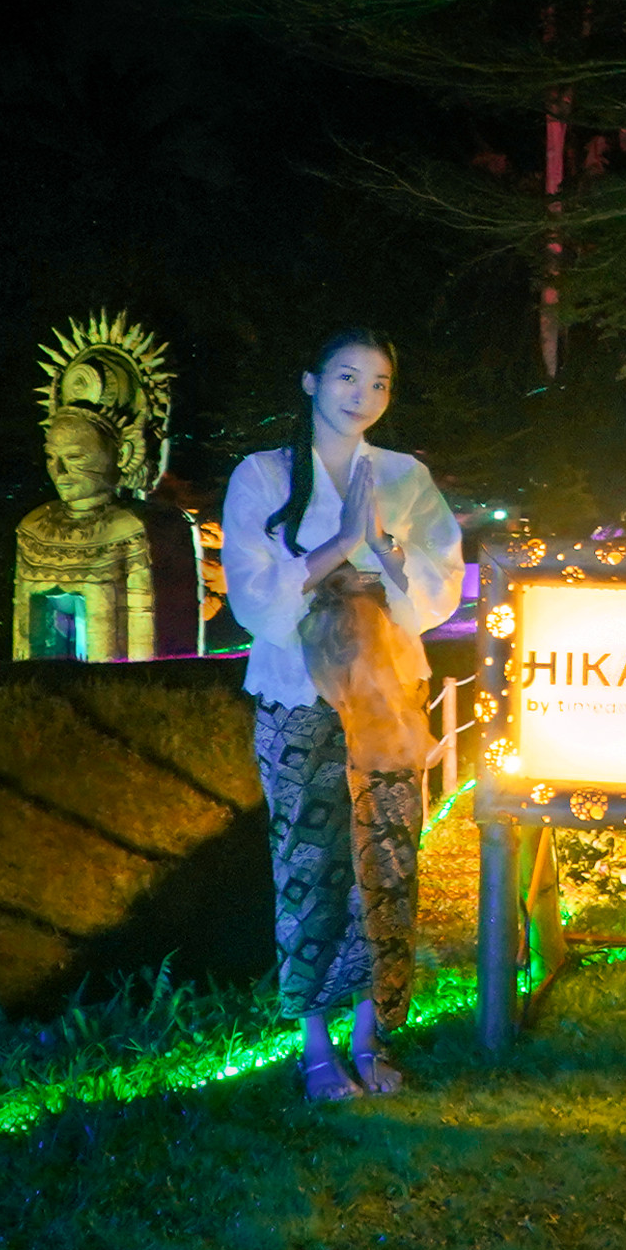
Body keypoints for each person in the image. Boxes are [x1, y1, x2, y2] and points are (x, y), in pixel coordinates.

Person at [222, 328, 464, 1100]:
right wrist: (340, 543)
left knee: (387, 863)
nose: (363, 395)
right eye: (347, 377)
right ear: (310, 382)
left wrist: (382, 547)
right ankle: (316, 1044)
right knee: (308, 863)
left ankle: (372, 1031)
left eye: (379, 383)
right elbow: (255, 598)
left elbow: (437, 588)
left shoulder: (403, 476)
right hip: (298, 694)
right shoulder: (263, 476)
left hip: (388, 697)